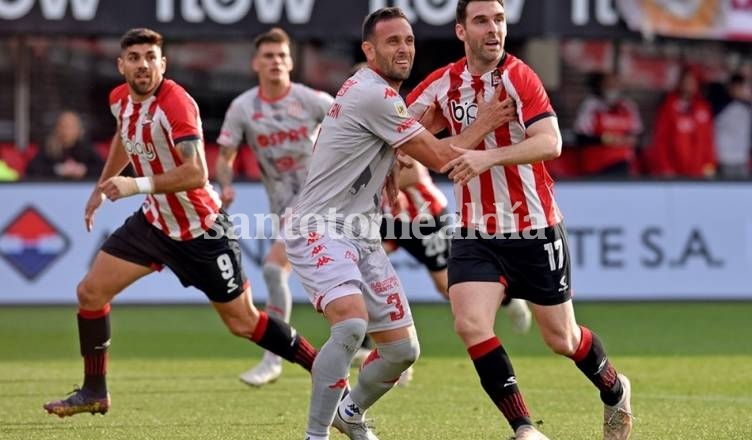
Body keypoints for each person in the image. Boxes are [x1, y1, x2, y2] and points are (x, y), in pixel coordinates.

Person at [42, 28, 318, 418]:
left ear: (163, 64)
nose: (143, 64)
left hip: (202, 228)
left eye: (150, 57)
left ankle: (322, 367)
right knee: (90, 293)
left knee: (243, 322)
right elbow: (126, 135)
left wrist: (135, 184)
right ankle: (94, 391)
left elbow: (195, 171)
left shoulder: (176, 103)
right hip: (155, 224)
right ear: (121, 65)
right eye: (134, 57)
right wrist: (102, 187)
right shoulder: (119, 99)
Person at [283, 7, 516, 439]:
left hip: (362, 234)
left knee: (402, 350)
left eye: (408, 40)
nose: (404, 49)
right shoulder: (375, 94)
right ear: (369, 50)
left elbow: (396, 150)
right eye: (392, 42)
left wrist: (389, 167)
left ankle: (349, 414)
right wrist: (484, 122)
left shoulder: (376, 94)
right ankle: (314, 435)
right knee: (351, 324)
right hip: (319, 227)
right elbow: (443, 159)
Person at [407, 1, 632, 439]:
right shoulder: (441, 85)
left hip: (535, 227)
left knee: (562, 340)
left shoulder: (519, 77)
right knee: (470, 323)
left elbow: (551, 142)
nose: (493, 29)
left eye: (499, 20)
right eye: (481, 21)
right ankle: (525, 428)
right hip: (476, 231)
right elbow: (402, 138)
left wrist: (486, 157)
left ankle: (614, 388)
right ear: (460, 31)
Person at [215, 28, 334, 387]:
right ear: (255, 63)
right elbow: (225, 155)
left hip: (321, 199)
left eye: (282, 55)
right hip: (282, 206)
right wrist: (225, 183)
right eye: (268, 56)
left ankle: (273, 358)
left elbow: (352, 124)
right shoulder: (243, 107)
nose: (276, 62)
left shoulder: (311, 100)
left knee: (271, 269)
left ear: (291, 62)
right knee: (335, 279)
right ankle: (380, 346)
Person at [648, 66, 716, 178]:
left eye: (692, 82)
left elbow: (708, 140)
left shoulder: (703, 108)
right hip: (674, 172)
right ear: (680, 83)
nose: (689, 85)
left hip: (699, 172)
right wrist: (665, 168)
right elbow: (661, 140)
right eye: (686, 81)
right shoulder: (669, 107)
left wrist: (709, 168)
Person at [573, 72, 643, 177]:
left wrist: (630, 140)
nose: (613, 86)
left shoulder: (627, 106)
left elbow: (639, 135)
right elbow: (580, 137)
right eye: (609, 83)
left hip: (626, 164)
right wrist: (606, 139)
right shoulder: (591, 106)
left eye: (615, 82)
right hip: (597, 166)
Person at [26, 110, 104, 179]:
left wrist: (84, 170)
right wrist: (58, 170)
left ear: (79, 129)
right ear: (57, 128)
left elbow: (103, 169)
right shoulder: (48, 148)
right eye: (64, 126)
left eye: (71, 127)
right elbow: (32, 170)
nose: (67, 131)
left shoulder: (86, 148)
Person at [713, 73, 751, 179]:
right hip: (724, 159)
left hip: (741, 159)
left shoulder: (746, 107)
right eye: (735, 87)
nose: (737, 90)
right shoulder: (720, 105)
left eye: (740, 87)